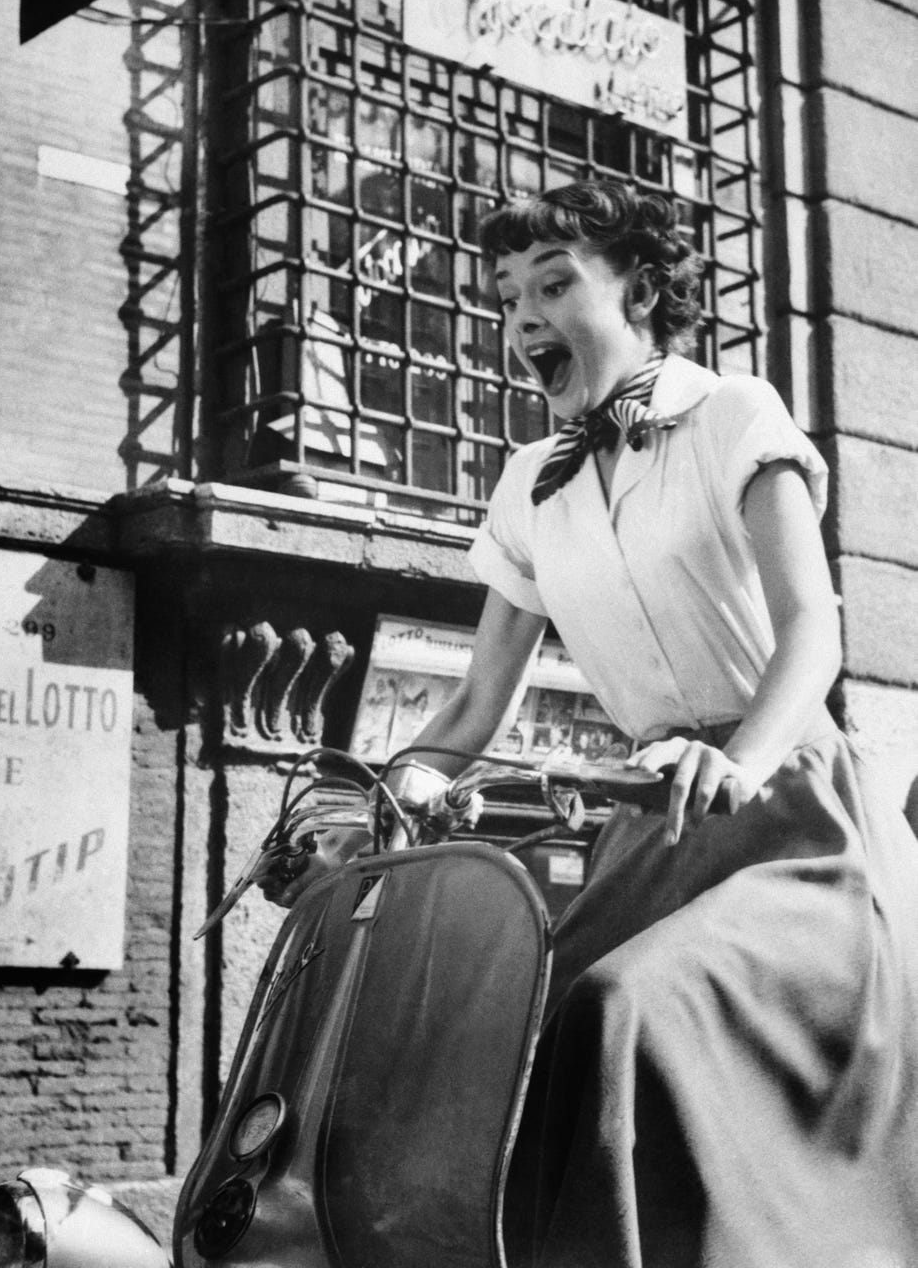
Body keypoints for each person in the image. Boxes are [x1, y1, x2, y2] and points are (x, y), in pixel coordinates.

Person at [269, 179, 918, 1267]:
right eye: (506, 296)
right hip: (649, 831)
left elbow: (812, 632)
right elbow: (475, 704)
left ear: (642, 289)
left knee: (623, 1004)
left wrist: (735, 755)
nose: (522, 315)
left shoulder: (731, 415)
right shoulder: (528, 483)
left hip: (794, 820)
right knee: (494, 1039)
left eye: (555, 282)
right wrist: (375, 799)